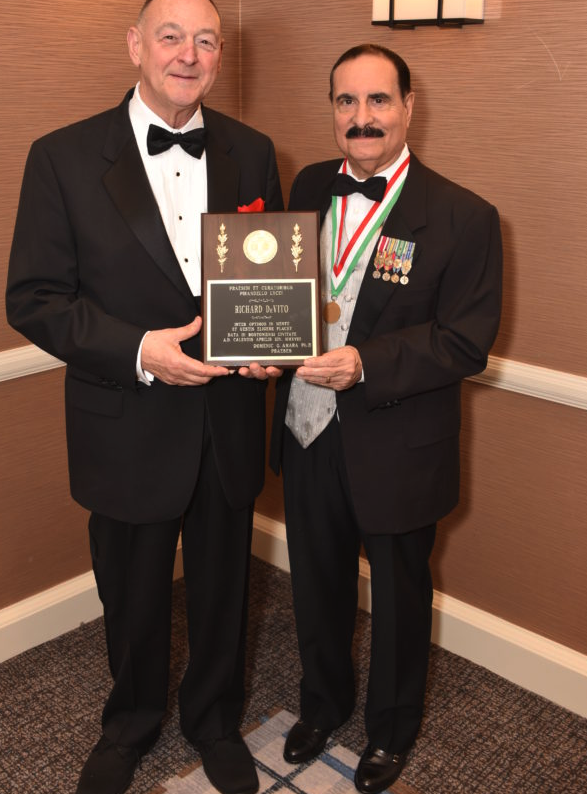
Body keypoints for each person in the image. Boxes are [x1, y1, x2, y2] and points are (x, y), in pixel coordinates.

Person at [6, 0, 283, 794]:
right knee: (129, 596)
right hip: (125, 419)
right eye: (170, 37)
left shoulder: (252, 150)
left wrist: (274, 345)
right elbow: (35, 300)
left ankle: (213, 719)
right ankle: (128, 724)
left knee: (223, 590)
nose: (187, 56)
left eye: (204, 41)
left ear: (219, 56)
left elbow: (265, 280)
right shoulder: (60, 155)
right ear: (134, 45)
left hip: (226, 420)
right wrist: (137, 350)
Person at [269, 44, 503, 793]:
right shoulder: (306, 185)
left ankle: (390, 730)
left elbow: (463, 340)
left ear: (408, 107)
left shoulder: (462, 216)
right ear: (331, 109)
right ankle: (322, 705)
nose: (361, 118)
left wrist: (366, 363)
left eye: (377, 101)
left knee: (399, 598)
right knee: (316, 584)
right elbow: (274, 288)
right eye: (345, 102)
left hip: (397, 441)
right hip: (307, 431)